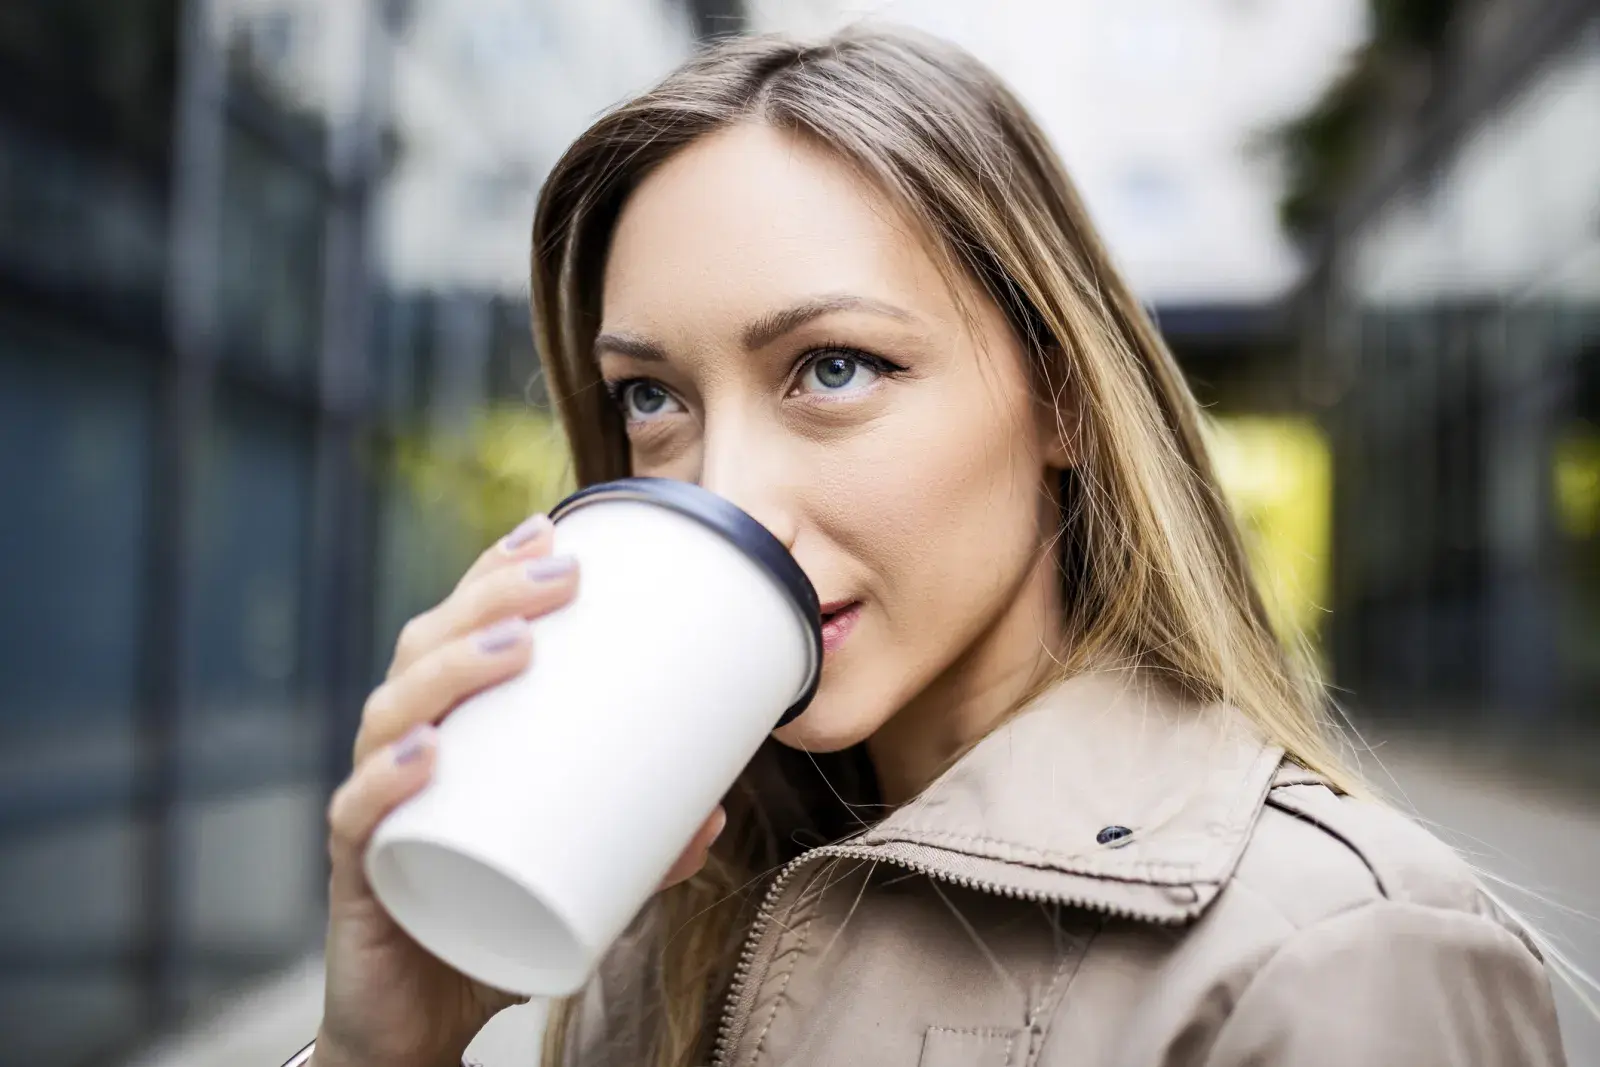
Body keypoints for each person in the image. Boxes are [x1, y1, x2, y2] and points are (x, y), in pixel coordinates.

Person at [299, 26, 1570, 1067]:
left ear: (1062, 397)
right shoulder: (665, 914)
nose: (729, 499)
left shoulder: (1330, 954)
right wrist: (383, 1047)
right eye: (652, 396)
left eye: (833, 368)